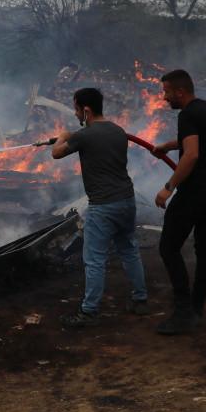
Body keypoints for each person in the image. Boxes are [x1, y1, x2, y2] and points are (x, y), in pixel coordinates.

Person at [52, 87, 148, 328]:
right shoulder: (118, 131)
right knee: (129, 250)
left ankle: (89, 311)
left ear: (86, 110)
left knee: (94, 259)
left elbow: (56, 154)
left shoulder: (84, 136)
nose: (75, 114)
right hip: (127, 201)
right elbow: (94, 138)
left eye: (76, 110)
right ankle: (140, 299)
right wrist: (74, 135)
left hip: (103, 206)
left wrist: (64, 136)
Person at [150, 69, 206, 336]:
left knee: (168, 247)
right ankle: (196, 308)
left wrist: (168, 188)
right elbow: (198, 143)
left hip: (194, 194)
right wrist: (170, 145)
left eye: (166, 92)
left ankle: (183, 313)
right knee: (204, 249)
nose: (164, 97)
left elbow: (192, 155)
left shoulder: (187, 115)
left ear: (180, 92)